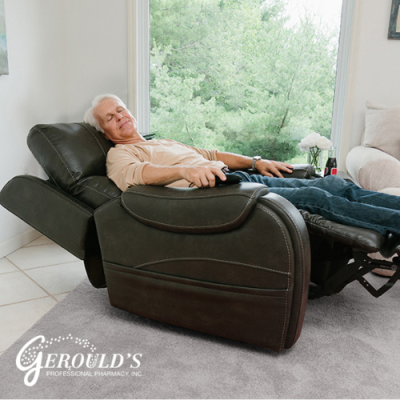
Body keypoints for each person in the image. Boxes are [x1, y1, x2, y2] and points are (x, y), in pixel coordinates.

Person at [84, 94, 400, 239]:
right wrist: (184, 172)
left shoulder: (159, 142)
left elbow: (210, 152)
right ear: (104, 131)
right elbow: (136, 178)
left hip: (235, 178)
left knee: (334, 185)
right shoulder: (120, 154)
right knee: (319, 199)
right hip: (215, 193)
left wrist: (257, 162)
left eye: (120, 109)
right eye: (109, 118)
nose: (119, 117)